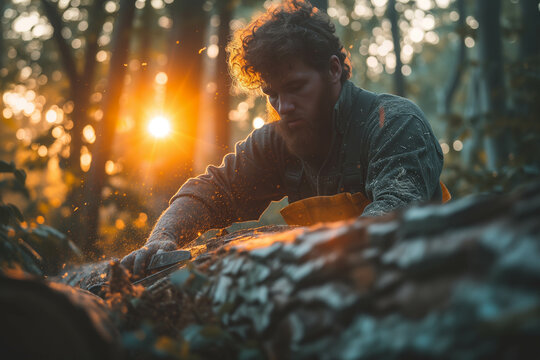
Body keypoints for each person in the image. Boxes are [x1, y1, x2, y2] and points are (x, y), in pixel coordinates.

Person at [121, 0, 444, 276]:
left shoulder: (395, 122)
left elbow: (393, 214)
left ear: (333, 70)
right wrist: (163, 237)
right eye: (271, 93)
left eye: (295, 87)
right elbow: (211, 190)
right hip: (330, 294)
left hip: (423, 287)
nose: (282, 107)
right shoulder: (278, 139)